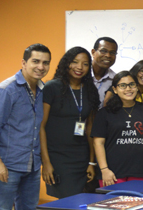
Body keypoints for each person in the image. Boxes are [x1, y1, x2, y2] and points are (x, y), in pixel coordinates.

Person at [0, 44, 51, 210]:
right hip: (6, 165)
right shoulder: (6, 90)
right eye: (36, 61)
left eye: (45, 63)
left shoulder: (42, 90)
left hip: (31, 166)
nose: (41, 67)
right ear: (24, 63)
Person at [41, 46, 100, 198]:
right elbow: (40, 126)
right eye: (75, 62)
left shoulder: (89, 90)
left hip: (82, 156)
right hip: (57, 157)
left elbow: (90, 128)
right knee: (66, 200)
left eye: (85, 64)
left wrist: (92, 162)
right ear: (66, 63)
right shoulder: (51, 87)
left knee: (84, 200)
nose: (79, 67)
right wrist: (46, 162)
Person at [91, 71, 143, 187]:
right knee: (115, 204)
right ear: (115, 89)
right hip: (112, 173)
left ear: (137, 87)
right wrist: (104, 169)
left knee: (141, 204)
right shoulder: (105, 113)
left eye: (132, 85)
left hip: (141, 170)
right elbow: (98, 143)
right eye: (122, 86)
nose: (128, 89)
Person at [91, 37, 118, 106]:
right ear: (93, 52)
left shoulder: (115, 80)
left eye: (112, 52)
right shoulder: (80, 74)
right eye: (103, 51)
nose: (108, 55)